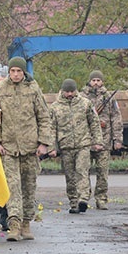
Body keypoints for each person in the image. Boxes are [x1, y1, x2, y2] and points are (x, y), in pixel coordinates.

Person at [0, 56, 52, 242]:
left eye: (19, 71)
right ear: (9, 72)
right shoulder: (0, 89)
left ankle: (26, 222)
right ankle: (14, 224)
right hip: (9, 147)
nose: (16, 74)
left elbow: (43, 116)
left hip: (30, 146)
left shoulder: (33, 89)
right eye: (13, 71)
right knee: (12, 186)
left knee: (28, 186)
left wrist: (43, 143)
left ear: (24, 72)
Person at [48, 78, 104, 214]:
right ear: (62, 91)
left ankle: (83, 199)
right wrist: (51, 147)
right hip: (65, 146)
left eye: (72, 91)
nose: (69, 94)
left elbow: (94, 123)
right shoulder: (55, 107)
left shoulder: (85, 104)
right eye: (67, 92)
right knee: (69, 175)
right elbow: (51, 129)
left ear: (76, 91)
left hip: (83, 144)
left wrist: (97, 141)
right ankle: (74, 202)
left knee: (82, 171)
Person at [82, 69, 124, 209]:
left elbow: (116, 119)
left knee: (102, 172)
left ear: (102, 82)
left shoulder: (109, 98)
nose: (96, 83)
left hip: (104, 142)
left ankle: (101, 199)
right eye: (93, 80)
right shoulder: (82, 97)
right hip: (86, 141)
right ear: (89, 81)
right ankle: (84, 198)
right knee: (83, 172)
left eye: (98, 80)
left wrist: (117, 140)